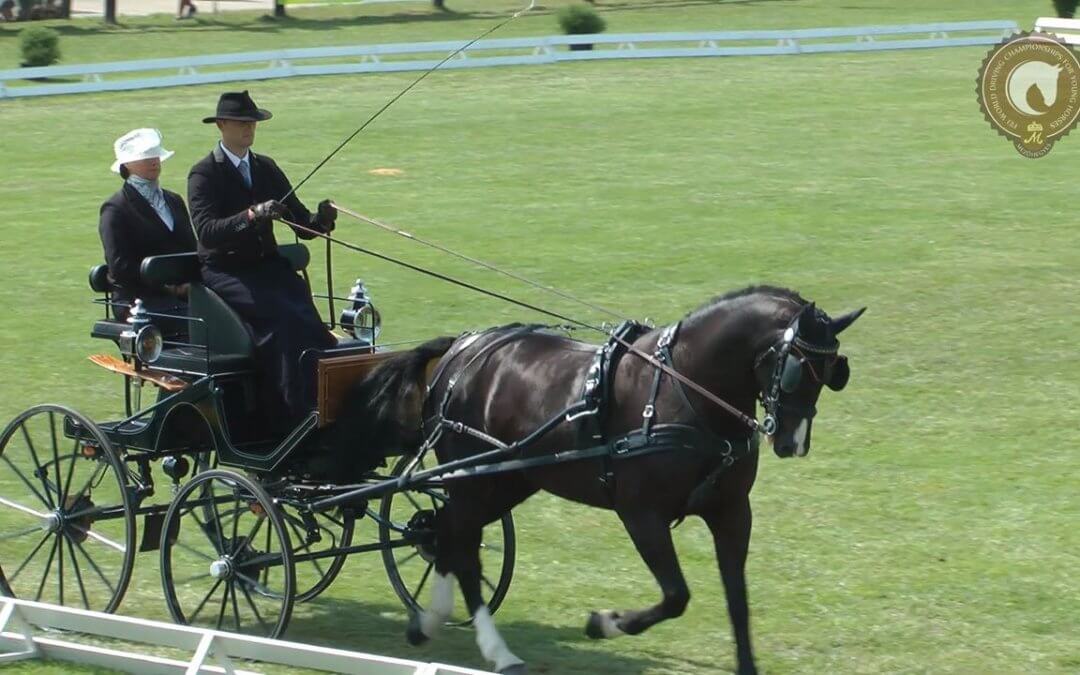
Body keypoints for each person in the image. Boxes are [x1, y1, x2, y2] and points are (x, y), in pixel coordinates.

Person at [187, 90, 338, 434]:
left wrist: (322, 220)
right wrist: (252, 214)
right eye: (241, 123)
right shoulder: (204, 174)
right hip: (226, 271)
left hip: (266, 267)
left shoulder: (265, 167)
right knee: (283, 323)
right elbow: (208, 232)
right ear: (222, 125)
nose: (249, 129)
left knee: (310, 320)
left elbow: (302, 224)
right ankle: (291, 417)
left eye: (253, 123)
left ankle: (325, 404)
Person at [98, 128, 197, 329]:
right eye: (145, 157)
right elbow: (120, 268)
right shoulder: (115, 209)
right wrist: (170, 289)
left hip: (184, 294)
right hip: (138, 300)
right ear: (127, 164)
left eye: (155, 155)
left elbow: (191, 248)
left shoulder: (173, 201)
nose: (154, 161)